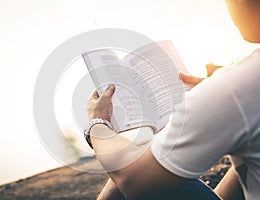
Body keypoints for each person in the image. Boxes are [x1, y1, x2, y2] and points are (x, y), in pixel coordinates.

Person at [85, 0, 260, 199]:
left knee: (134, 167)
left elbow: (132, 182)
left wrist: (97, 123)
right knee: (141, 160)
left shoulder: (238, 84)